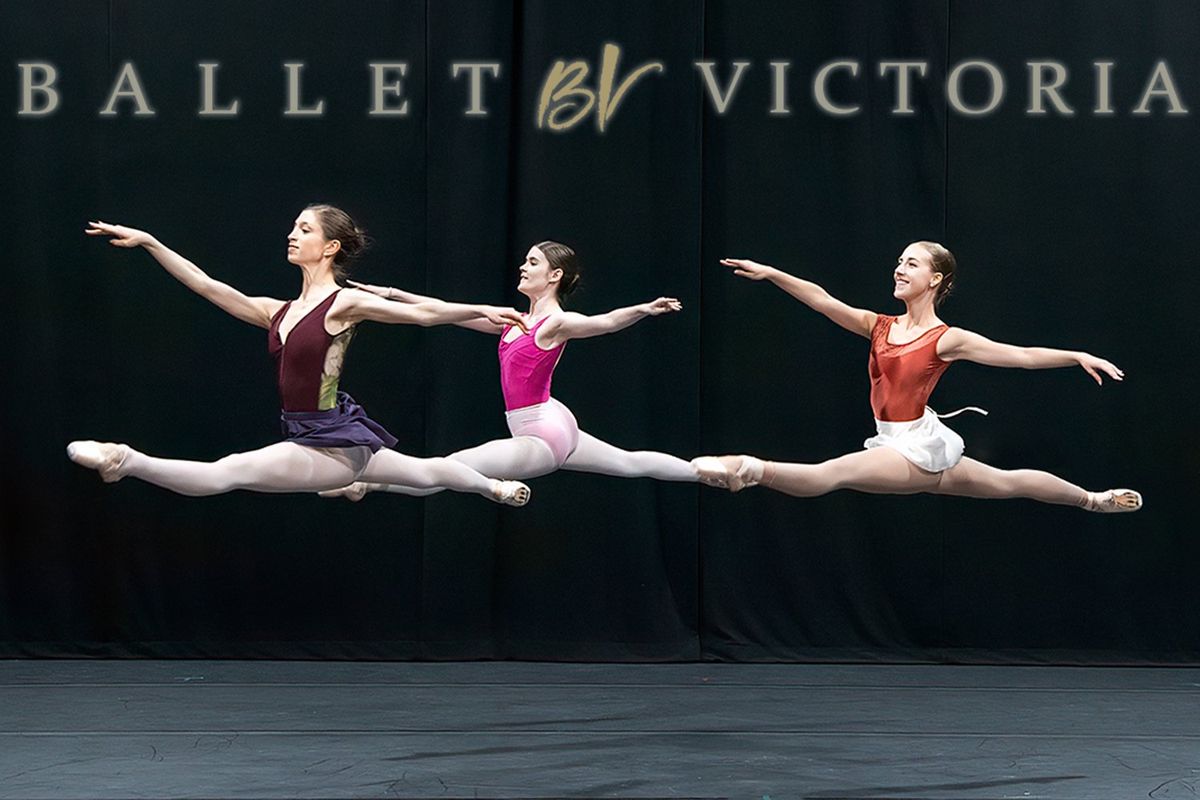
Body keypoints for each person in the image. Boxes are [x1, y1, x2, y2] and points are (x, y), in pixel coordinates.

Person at [67, 205, 531, 506]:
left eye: (304, 229)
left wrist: (479, 310)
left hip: (328, 441)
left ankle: (123, 460)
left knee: (228, 471)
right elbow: (207, 285)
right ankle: (494, 487)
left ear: (330, 247)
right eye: (293, 227)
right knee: (425, 471)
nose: (292, 234)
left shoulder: (344, 303)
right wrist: (151, 242)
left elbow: (424, 313)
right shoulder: (278, 311)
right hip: (322, 432)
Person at [690, 242, 1141, 513]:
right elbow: (822, 300)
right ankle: (1092, 500)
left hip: (914, 446)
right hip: (905, 440)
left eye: (911, 264)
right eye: (899, 261)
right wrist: (773, 274)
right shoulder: (878, 325)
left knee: (833, 473)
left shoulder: (946, 339)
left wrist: (1075, 355)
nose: (899, 269)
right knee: (1008, 483)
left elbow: (1020, 356)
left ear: (935, 278)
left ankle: (747, 469)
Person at [320, 240, 705, 501]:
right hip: (550, 416)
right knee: (628, 462)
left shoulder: (555, 323)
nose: (523, 266)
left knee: (449, 469)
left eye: (533, 262)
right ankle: (706, 471)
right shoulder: (514, 321)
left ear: (554, 276)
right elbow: (444, 309)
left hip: (541, 433)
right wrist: (390, 295)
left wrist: (642, 309)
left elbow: (603, 323)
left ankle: (364, 485)